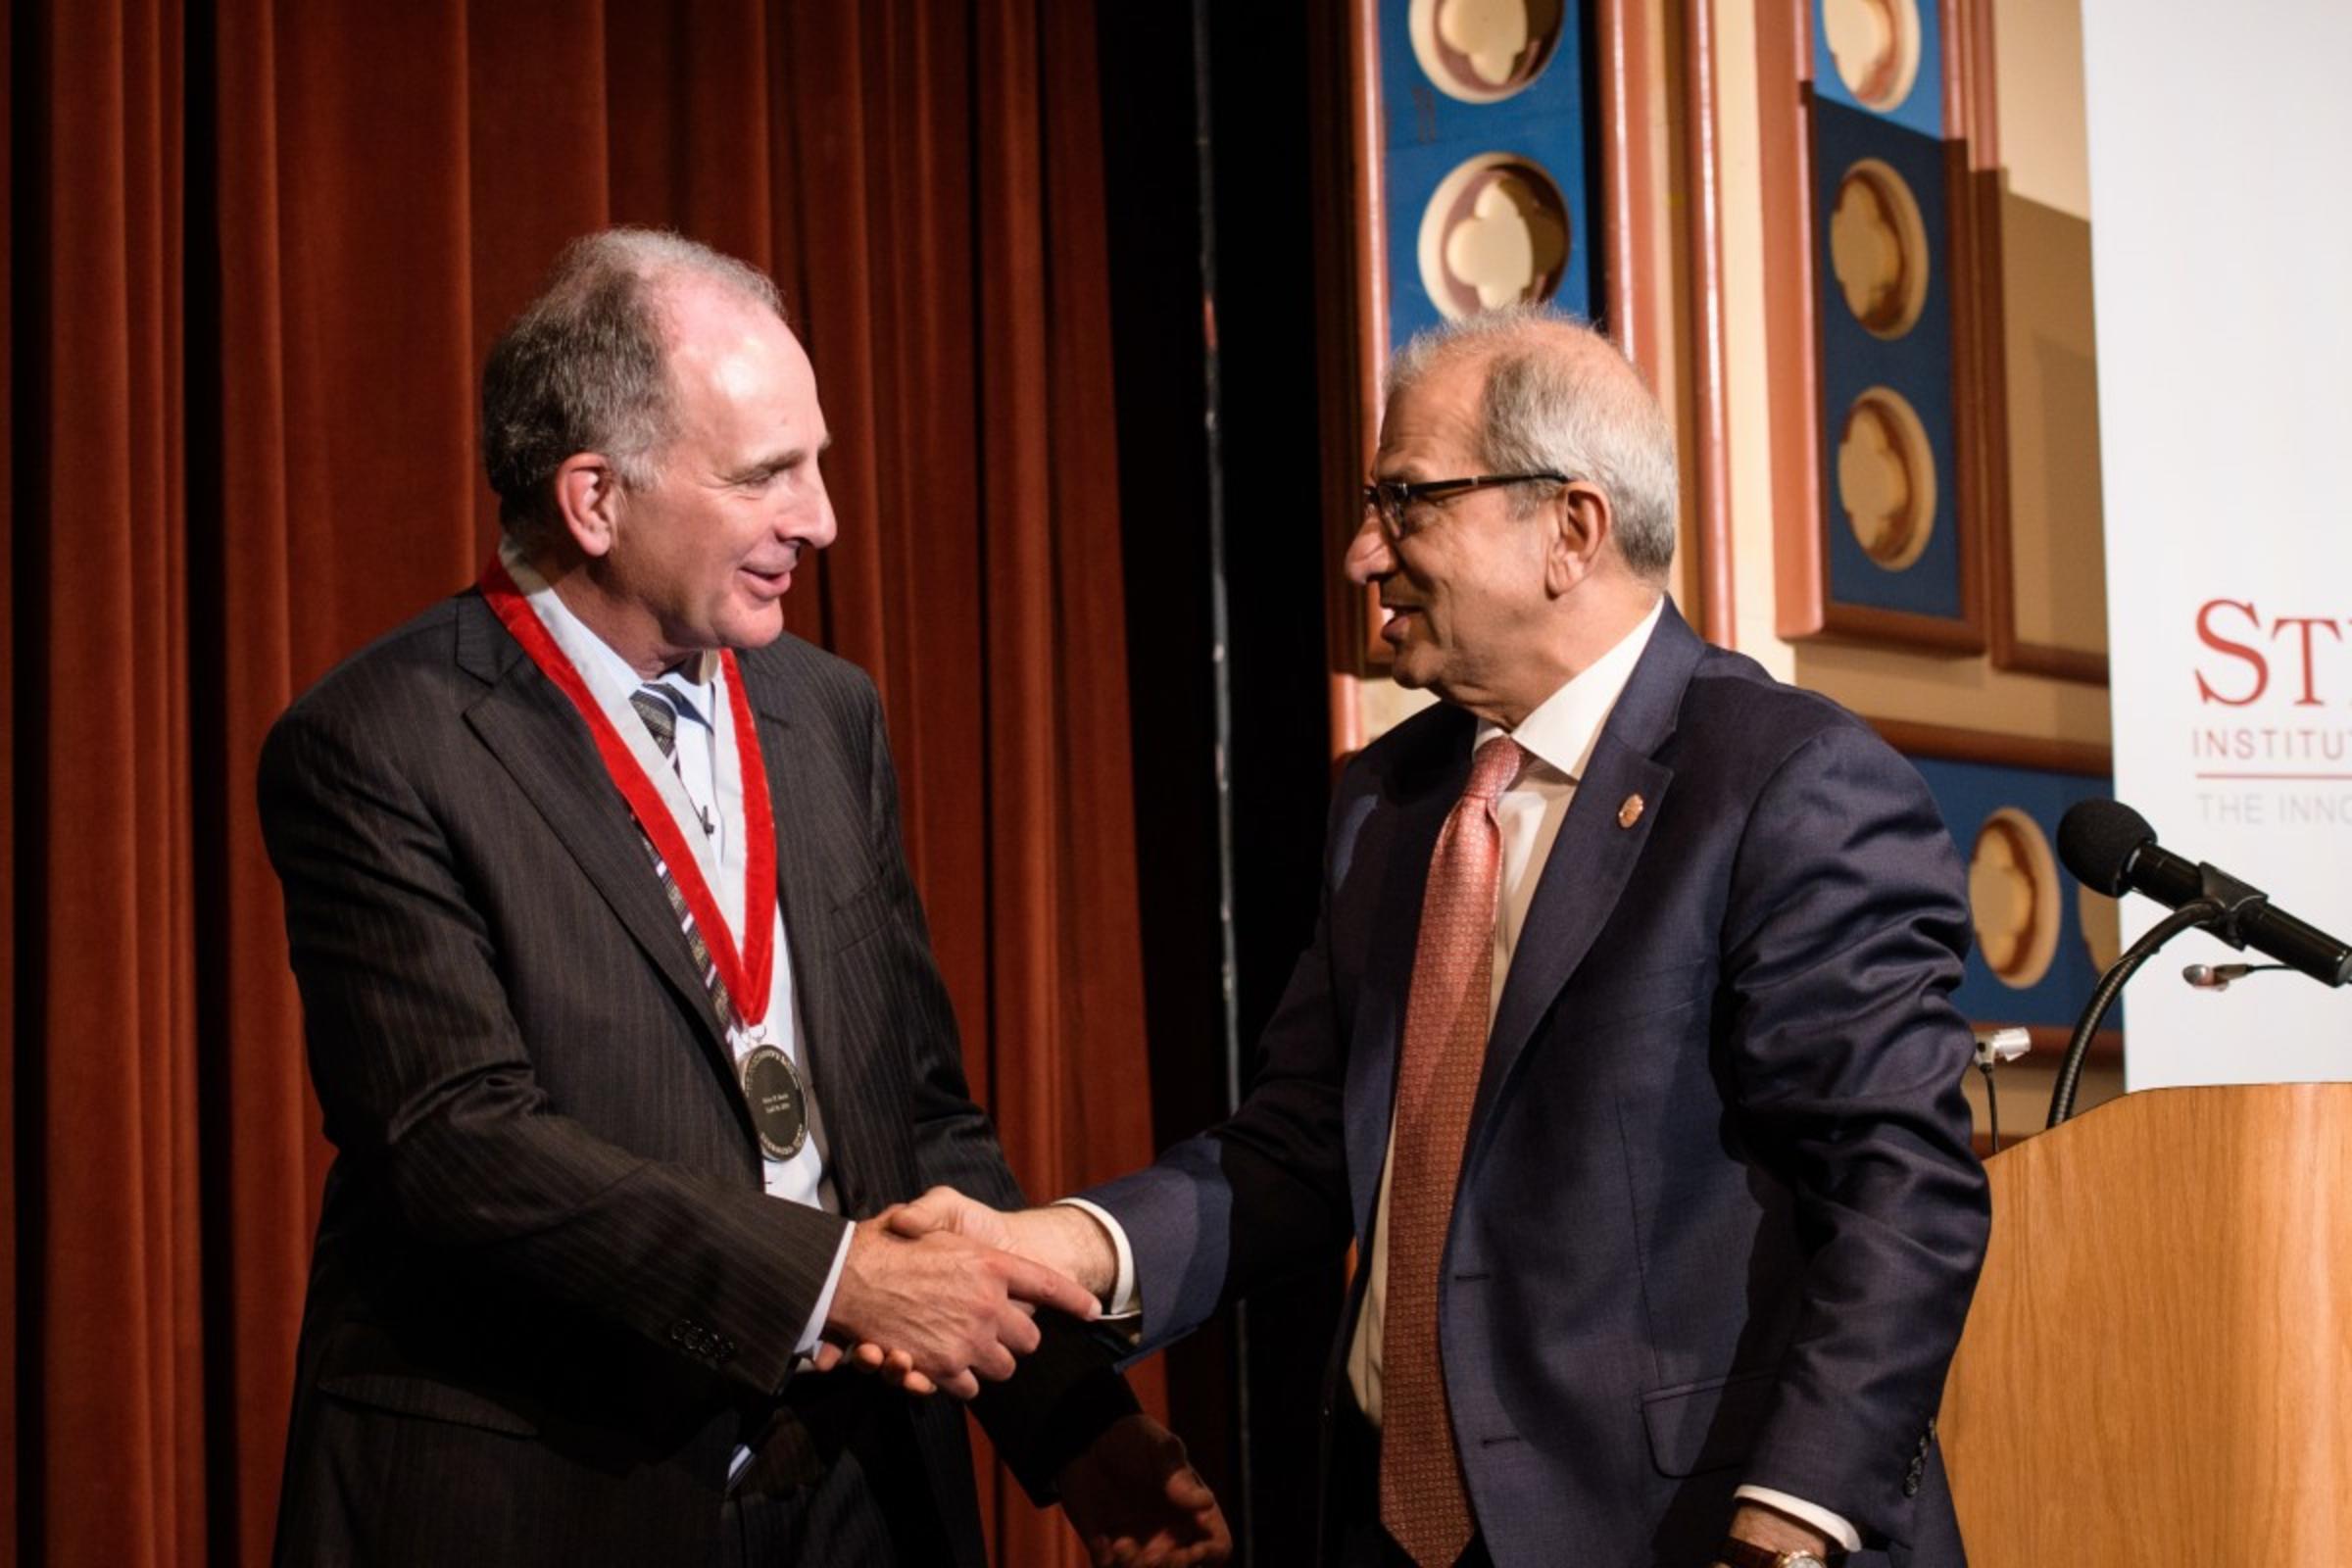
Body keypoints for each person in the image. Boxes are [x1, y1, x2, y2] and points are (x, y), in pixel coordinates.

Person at [888, 309, 1990, 1567]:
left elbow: (1902, 1193)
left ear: (1571, 529)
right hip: (1389, 1528)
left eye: (1408, 502)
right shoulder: (1388, 801)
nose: (1364, 551)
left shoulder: (1786, 781)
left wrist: (1790, 1524)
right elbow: (1299, 1150)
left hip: (1690, 1534)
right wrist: (1062, 1245)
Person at [257, 228, 1229, 1568]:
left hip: (856, 1490)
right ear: (595, 499)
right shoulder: (382, 741)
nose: (820, 519)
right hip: (552, 1490)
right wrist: (837, 1284)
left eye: (814, 464)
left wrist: (1071, 1422)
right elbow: (458, 1144)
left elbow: (914, 1116)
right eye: (768, 473)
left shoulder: (826, 711)